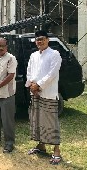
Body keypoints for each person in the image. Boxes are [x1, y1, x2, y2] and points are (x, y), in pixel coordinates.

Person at [25, 30, 62, 165]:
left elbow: (52, 74)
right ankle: (41, 146)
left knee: (51, 122)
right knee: (38, 119)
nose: (39, 42)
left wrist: (39, 86)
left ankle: (56, 150)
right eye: (37, 40)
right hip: (35, 93)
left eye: (42, 39)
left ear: (47, 40)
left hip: (48, 93)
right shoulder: (33, 55)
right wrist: (31, 85)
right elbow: (29, 71)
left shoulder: (54, 54)